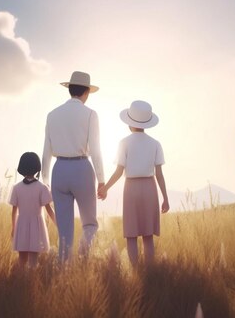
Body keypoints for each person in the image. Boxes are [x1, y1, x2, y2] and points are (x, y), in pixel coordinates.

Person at [42, 71, 105, 262]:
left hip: (59, 170)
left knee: (64, 229)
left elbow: (46, 150)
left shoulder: (52, 115)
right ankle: (83, 259)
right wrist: (102, 180)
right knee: (90, 224)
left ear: (70, 89)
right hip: (82, 169)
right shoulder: (90, 114)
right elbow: (95, 149)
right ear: (86, 92)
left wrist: (45, 181)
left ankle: (64, 268)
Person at [98, 100, 170, 267]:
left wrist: (105, 188)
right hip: (150, 188)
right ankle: (150, 271)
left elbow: (118, 172)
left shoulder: (124, 143)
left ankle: (135, 271)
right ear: (147, 123)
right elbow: (159, 174)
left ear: (130, 123)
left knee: (131, 234)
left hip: (131, 188)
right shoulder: (155, 144)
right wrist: (165, 198)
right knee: (148, 234)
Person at [10, 152, 56, 268]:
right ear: (37, 167)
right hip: (37, 226)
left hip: (21, 225)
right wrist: (58, 224)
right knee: (33, 261)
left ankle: (21, 283)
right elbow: (49, 209)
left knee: (22, 258)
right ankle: (31, 281)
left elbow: (14, 211)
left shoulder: (16, 188)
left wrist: (13, 227)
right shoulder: (42, 187)